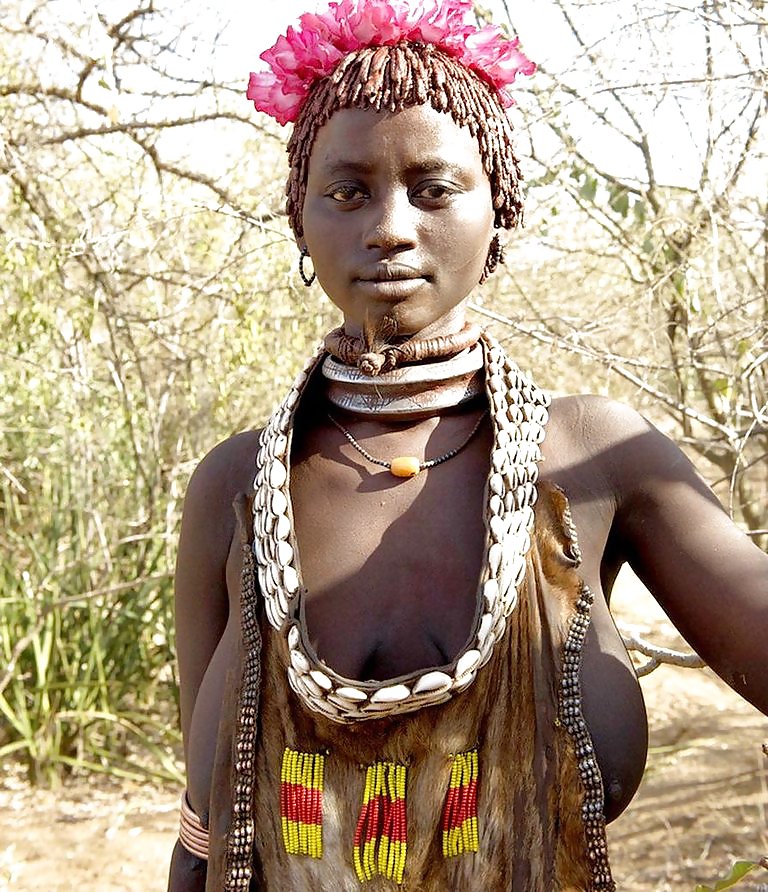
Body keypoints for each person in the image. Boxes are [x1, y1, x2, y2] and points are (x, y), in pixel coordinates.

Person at [167, 1, 768, 889]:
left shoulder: (595, 459)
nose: (391, 227)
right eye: (347, 191)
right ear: (301, 220)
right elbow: (204, 837)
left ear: (500, 210)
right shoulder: (235, 487)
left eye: (435, 188)